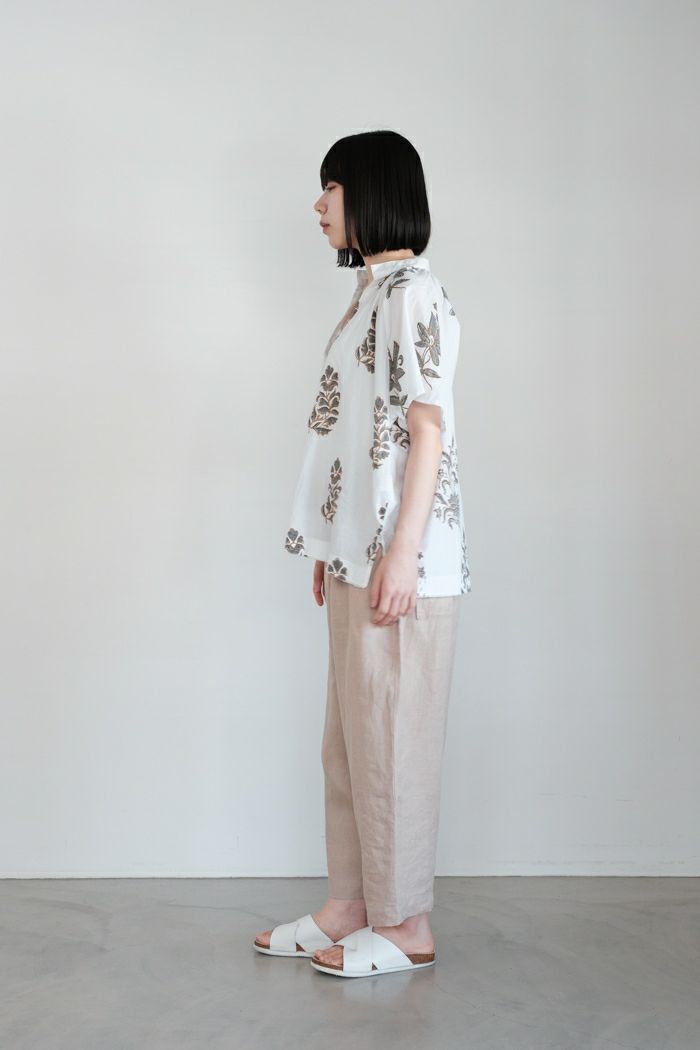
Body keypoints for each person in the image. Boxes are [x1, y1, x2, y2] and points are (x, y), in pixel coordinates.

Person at [254, 129, 471, 978]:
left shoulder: (415, 293)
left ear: (373, 193)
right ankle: (350, 906)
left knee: (394, 743)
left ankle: (406, 923)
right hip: (360, 553)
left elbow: (427, 427)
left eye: (332, 188)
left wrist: (403, 551)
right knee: (349, 742)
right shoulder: (371, 294)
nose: (318, 204)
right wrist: (334, 539)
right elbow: (356, 433)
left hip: (401, 561)